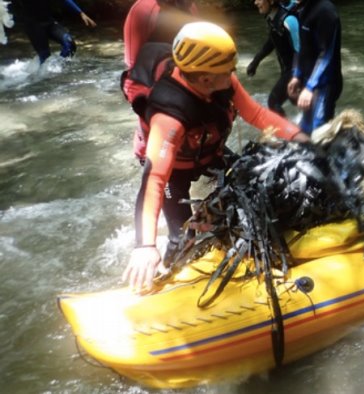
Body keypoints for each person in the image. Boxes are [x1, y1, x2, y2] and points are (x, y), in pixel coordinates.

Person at [121, 21, 310, 292]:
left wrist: (298, 136)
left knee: (249, 192)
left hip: (209, 153)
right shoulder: (169, 118)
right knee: (183, 236)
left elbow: (255, 114)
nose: (233, 74)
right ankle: (173, 275)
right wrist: (145, 245)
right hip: (173, 169)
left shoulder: (220, 82)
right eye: (229, 70)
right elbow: (154, 180)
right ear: (206, 78)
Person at [286, 0, 342, 134]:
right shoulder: (303, 8)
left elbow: (327, 54)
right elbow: (302, 48)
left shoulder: (326, 11)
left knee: (319, 131)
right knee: (305, 130)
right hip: (309, 80)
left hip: (325, 85)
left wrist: (310, 87)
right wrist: (297, 75)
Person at [247, 0, 300, 117]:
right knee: (295, 100)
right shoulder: (272, 17)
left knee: (273, 102)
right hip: (287, 70)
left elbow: (300, 50)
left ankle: (287, 134)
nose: (255, 2)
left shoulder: (289, 20)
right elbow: (272, 41)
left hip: (296, 70)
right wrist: (256, 61)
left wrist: (296, 77)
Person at [123, 0, 199, 69]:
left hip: (185, 72)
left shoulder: (190, 6)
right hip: (151, 77)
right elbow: (132, 63)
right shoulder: (143, 9)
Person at [20, 0, 96, 64]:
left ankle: (58, 68)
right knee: (45, 58)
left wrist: (81, 13)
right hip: (33, 26)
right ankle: (44, 77)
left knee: (69, 44)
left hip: (49, 23)